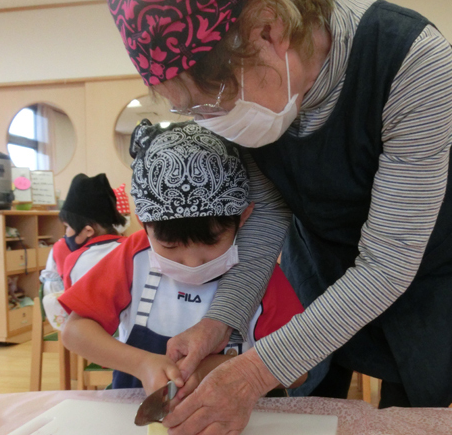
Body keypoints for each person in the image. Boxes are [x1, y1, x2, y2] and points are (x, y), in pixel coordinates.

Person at [106, 0, 452, 435]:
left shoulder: (411, 61)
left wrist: (250, 374)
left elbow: (388, 263)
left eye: (212, 98)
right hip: (324, 254)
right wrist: (221, 322)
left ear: (269, 30)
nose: (210, 119)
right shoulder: (259, 87)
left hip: (422, 268)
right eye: (189, 108)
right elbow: (268, 219)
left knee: (414, 422)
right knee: (310, 406)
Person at [59, 120, 305, 395]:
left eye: (211, 243)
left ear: (243, 218)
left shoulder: (255, 267)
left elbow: (298, 372)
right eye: (170, 247)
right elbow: (74, 331)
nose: (192, 263)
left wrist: (221, 366)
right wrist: (143, 364)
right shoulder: (134, 256)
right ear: (143, 224)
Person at [39, 173, 126, 330]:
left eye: (68, 227)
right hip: (129, 333)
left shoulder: (76, 259)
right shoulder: (130, 247)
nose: (66, 234)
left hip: (95, 336)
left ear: (88, 231)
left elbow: (73, 305)